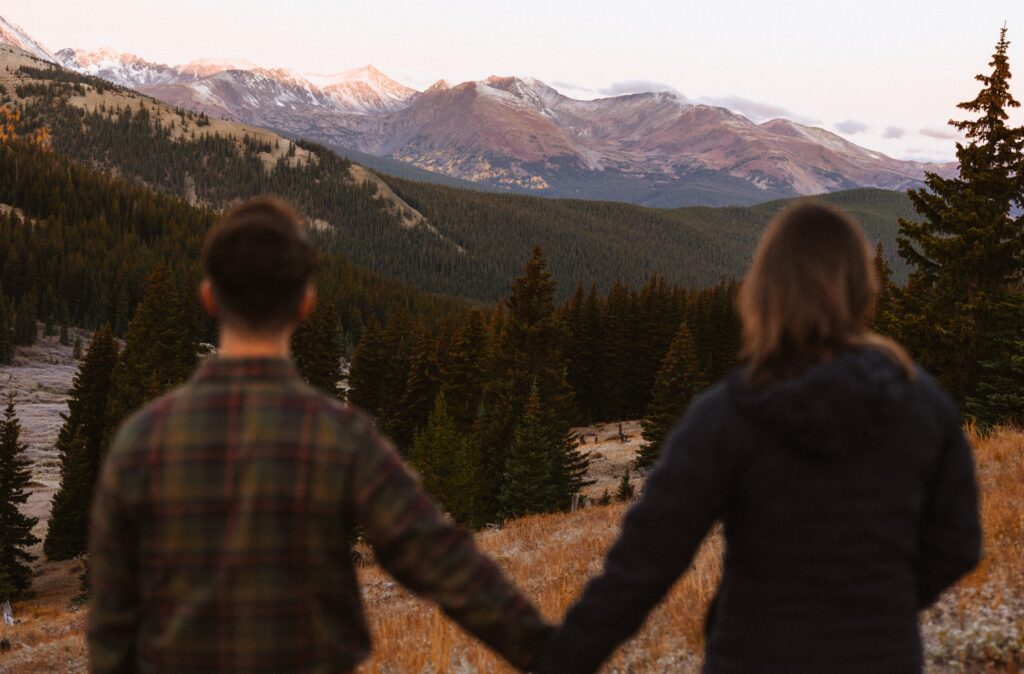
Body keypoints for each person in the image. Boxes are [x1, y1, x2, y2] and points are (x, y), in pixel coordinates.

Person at [87, 198, 551, 673]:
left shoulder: (140, 441)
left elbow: (111, 623)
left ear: (209, 297)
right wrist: (550, 652)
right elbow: (439, 558)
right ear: (306, 304)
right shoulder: (340, 437)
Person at [535, 202, 982, 674]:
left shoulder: (730, 415)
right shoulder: (922, 404)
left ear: (765, 293)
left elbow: (641, 569)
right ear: (863, 292)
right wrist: (877, 604)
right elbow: (958, 546)